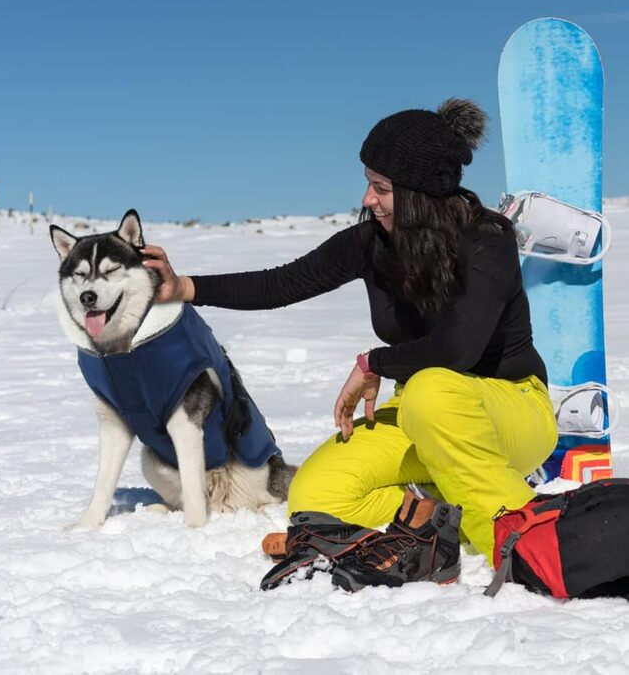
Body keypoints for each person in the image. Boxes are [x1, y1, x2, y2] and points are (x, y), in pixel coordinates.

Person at [141, 98, 557, 590]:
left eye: (382, 188)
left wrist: (373, 362)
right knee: (315, 496)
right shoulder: (372, 244)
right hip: (421, 416)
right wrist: (184, 287)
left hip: (511, 410)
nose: (367, 198)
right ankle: (441, 514)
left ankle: (526, 540)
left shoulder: (487, 240)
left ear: (422, 193)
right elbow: (281, 284)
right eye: (368, 182)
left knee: (430, 390)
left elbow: (456, 350)